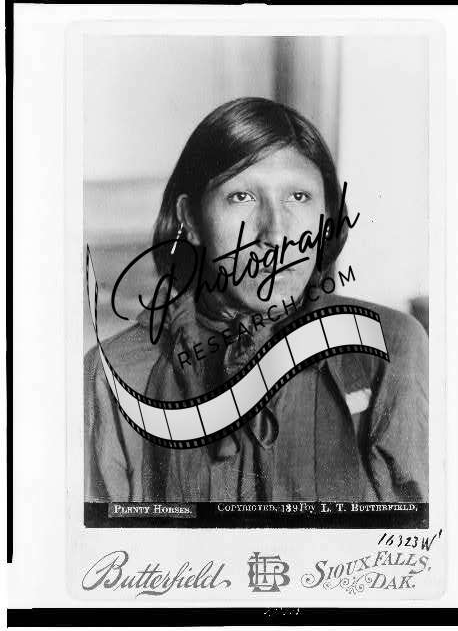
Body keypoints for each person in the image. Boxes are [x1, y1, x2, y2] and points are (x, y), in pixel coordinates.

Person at [84, 97, 428, 503]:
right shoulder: (114, 374)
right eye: (241, 197)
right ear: (190, 219)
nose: (276, 233)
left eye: (298, 197)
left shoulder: (387, 347)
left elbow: (416, 537)